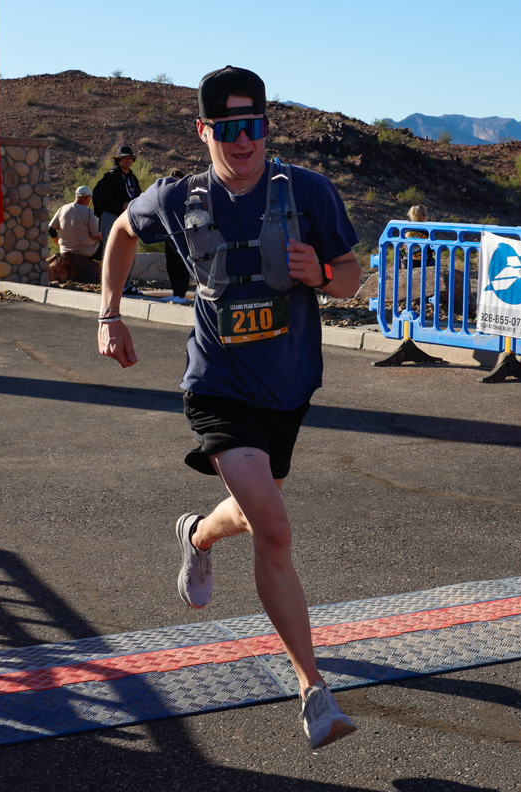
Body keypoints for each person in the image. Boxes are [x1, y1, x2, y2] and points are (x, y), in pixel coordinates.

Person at [98, 65, 362, 750]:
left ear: (266, 128)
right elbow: (121, 231)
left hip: (288, 388)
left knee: (250, 514)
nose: (241, 140)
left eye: (252, 126)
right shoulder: (176, 197)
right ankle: (313, 691)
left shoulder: (306, 191)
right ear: (203, 130)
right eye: (227, 128)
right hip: (217, 387)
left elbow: (350, 274)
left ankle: (195, 536)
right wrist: (109, 313)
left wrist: (321, 275)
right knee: (274, 529)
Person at [93, 145, 143, 295]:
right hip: (111, 216)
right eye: (125, 158)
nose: (128, 161)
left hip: (128, 217)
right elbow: (103, 201)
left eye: (130, 158)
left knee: (129, 250)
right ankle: (109, 285)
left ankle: (125, 285)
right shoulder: (110, 177)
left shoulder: (132, 178)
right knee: (111, 251)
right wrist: (122, 205)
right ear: (118, 160)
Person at [47, 186, 102, 283]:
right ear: (87, 197)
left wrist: (59, 244)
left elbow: (51, 229)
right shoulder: (89, 212)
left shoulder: (63, 209)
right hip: (87, 250)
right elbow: (96, 235)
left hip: (65, 250)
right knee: (111, 250)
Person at [162, 169, 193, 304]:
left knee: (182, 264)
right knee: (171, 264)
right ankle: (175, 292)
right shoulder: (167, 195)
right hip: (170, 234)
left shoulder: (188, 195)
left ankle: (181, 294)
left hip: (183, 233)